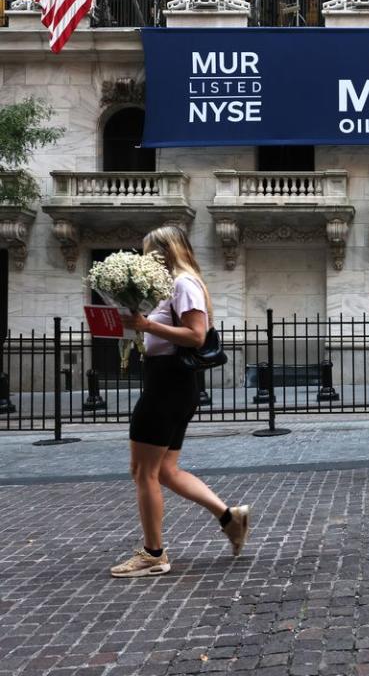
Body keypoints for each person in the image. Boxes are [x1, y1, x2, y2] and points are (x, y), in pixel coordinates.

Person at [112, 225, 250, 578]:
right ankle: (229, 517)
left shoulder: (183, 283)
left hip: (168, 384)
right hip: (168, 382)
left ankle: (153, 554)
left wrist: (145, 326)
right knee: (165, 471)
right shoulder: (170, 286)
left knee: (143, 471)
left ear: (165, 252)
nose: (146, 259)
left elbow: (196, 335)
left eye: (149, 252)